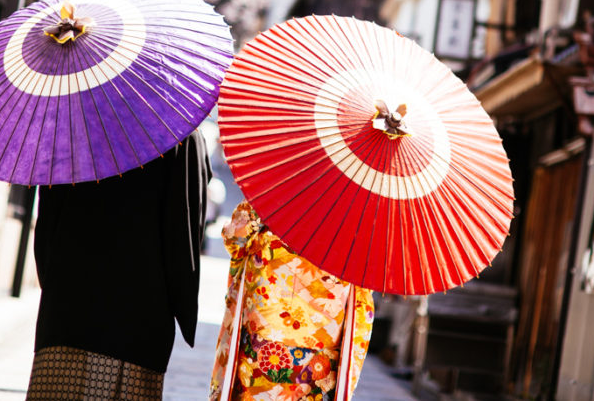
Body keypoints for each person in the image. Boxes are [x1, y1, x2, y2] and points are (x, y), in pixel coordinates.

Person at [25, 130, 210, 401]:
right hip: (137, 317)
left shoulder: (76, 119)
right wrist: (180, 305)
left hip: (67, 309)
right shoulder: (178, 132)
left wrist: (56, 286)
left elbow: (47, 222)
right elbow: (183, 235)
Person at [209, 201, 374, 401]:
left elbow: (235, 237)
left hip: (264, 342)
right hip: (321, 355)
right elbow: (365, 283)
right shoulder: (359, 212)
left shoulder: (276, 189)